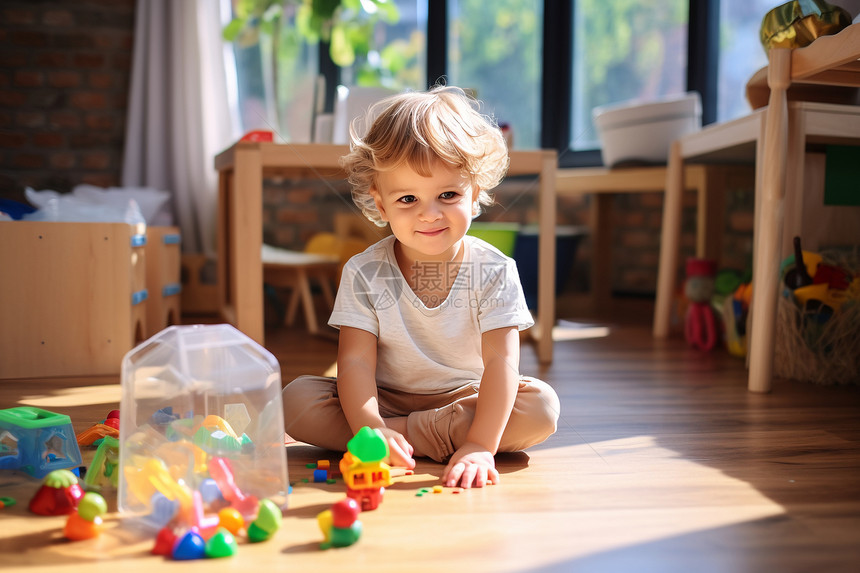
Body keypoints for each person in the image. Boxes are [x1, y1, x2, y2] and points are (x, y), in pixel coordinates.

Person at [283, 85, 560, 489]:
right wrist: (370, 427)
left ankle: (408, 439)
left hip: (464, 401)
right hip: (384, 398)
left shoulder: (495, 270)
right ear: (380, 206)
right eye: (408, 199)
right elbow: (356, 364)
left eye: (448, 194)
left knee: (541, 407)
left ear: (475, 193)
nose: (430, 215)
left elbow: (502, 364)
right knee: (297, 400)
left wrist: (482, 444)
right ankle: (403, 438)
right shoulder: (364, 271)